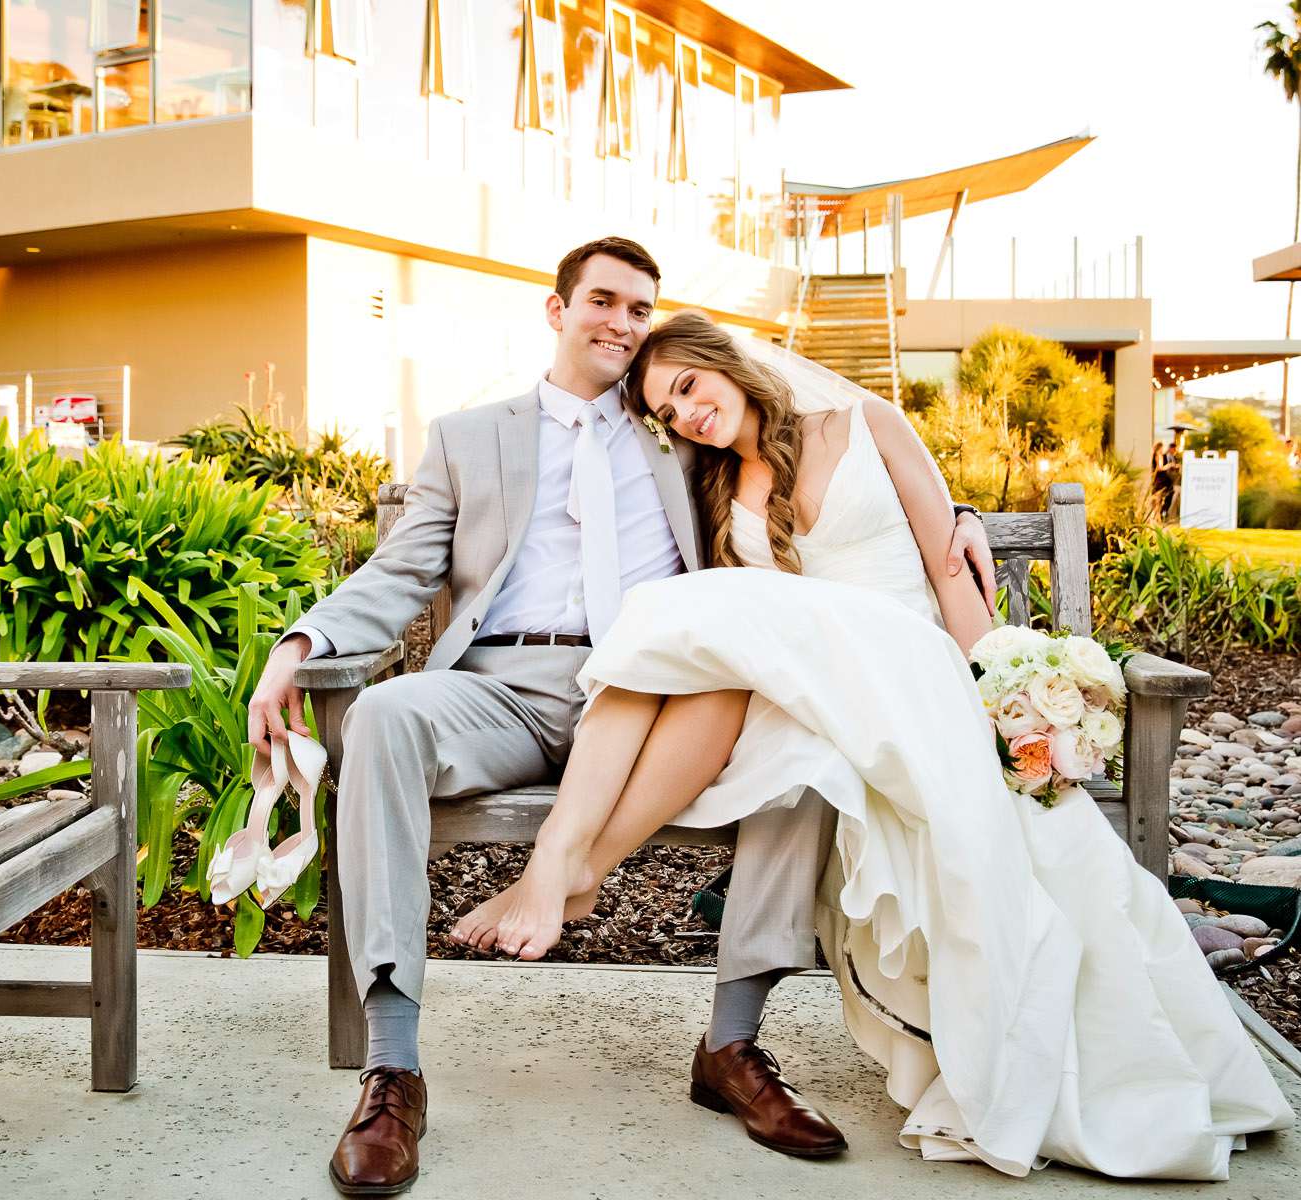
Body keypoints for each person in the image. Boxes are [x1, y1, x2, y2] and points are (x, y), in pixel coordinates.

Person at [453, 312, 1294, 1179]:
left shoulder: (866, 423)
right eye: (667, 411)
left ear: (726, 367)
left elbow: (944, 564)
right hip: (819, 694)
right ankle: (590, 887)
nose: (685, 415)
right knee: (764, 711)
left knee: (692, 623)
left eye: (689, 388)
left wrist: (1001, 691)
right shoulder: (716, 493)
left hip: (910, 664)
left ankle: (575, 866)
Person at [245, 238, 999, 1195]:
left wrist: (958, 507)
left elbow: (804, 446)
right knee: (387, 716)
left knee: (806, 753)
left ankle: (733, 1047)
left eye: (640, 309)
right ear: (557, 311)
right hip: (504, 688)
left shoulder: (679, 426)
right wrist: (297, 648)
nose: (621, 323)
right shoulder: (471, 436)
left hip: (662, 694)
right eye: (603, 301)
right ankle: (393, 1069)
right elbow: (400, 574)